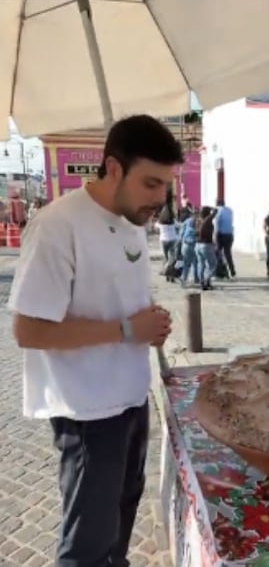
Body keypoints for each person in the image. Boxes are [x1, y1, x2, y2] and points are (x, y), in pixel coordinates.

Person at [9, 114, 181, 566]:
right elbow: (29, 331)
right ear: (113, 168)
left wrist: (148, 320)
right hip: (87, 410)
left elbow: (120, 303)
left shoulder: (132, 223)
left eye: (166, 185)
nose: (160, 199)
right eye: (150, 183)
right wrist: (127, 330)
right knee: (87, 542)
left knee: (122, 516)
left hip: (130, 396)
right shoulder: (57, 225)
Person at [195, 206, 218, 291]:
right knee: (213, 264)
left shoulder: (198, 220)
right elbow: (216, 211)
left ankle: (203, 283)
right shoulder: (207, 220)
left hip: (197, 245)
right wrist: (211, 208)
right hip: (206, 245)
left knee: (201, 264)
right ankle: (206, 280)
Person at [156, 204, 179, 282]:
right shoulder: (173, 221)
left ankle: (166, 274)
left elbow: (156, 226)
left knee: (165, 258)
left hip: (163, 240)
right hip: (172, 239)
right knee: (172, 259)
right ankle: (172, 276)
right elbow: (178, 225)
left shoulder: (160, 221)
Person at [214, 198, 236, 279]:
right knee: (228, 253)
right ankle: (232, 270)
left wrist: (215, 236)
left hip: (221, 234)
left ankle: (221, 271)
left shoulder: (218, 210)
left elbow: (217, 223)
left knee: (218, 253)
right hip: (229, 234)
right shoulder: (230, 210)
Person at [178, 207, 200, 288]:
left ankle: (184, 279)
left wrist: (180, 243)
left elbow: (181, 234)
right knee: (195, 263)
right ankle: (196, 279)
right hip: (194, 245)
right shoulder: (199, 222)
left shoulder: (186, 222)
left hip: (185, 245)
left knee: (187, 263)